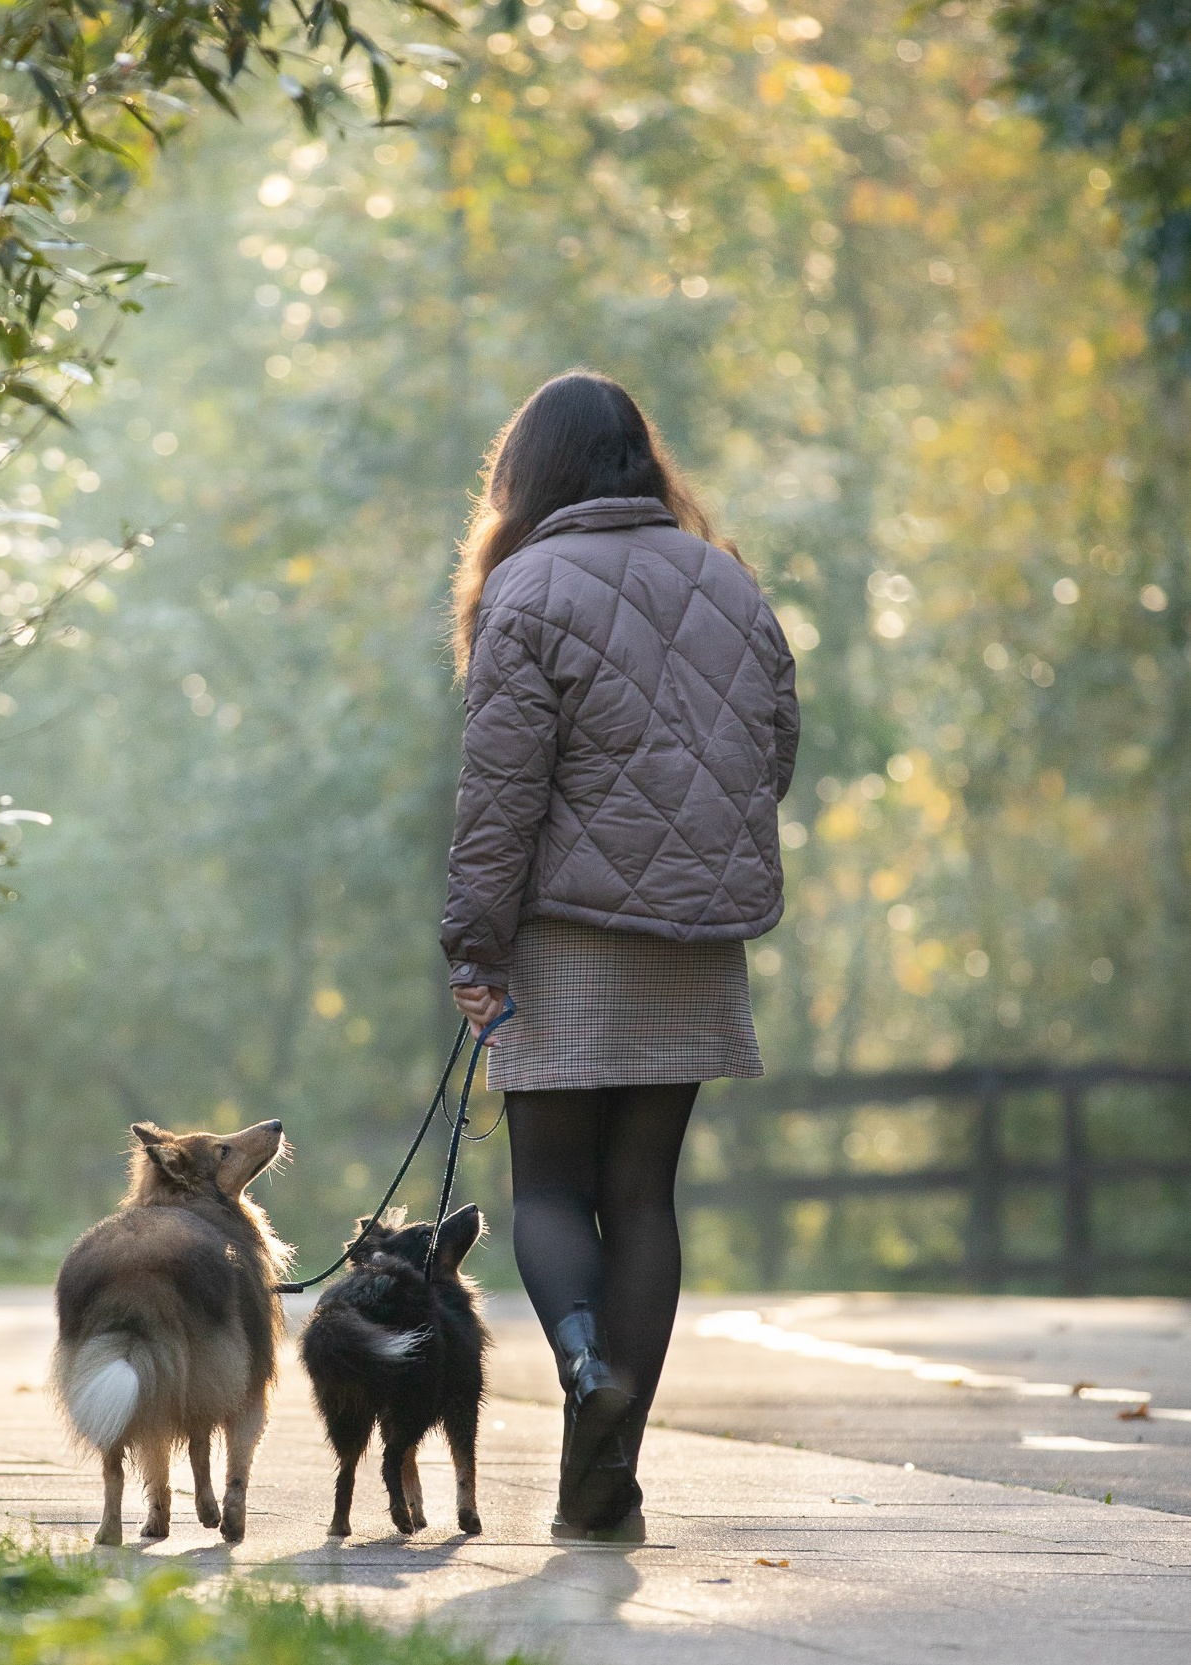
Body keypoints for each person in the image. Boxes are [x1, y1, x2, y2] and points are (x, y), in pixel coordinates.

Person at [441, 371, 799, 1545]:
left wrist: (475, 944)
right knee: (643, 1194)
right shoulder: (727, 582)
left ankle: (582, 1355)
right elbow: (771, 750)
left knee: (547, 1187)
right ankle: (605, 1493)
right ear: (643, 463)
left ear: (526, 474)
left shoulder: (526, 588)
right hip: (693, 940)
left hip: (561, 934)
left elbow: (501, 795)